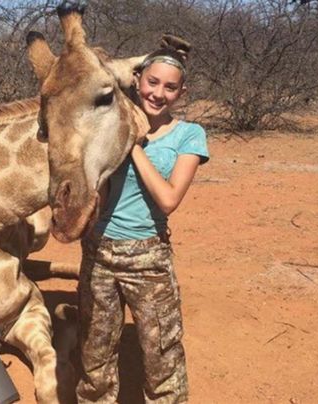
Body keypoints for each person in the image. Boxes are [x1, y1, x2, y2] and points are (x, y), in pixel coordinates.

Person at [76, 36, 209, 403]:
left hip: (148, 261)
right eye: (152, 82)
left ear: (182, 91)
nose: (158, 93)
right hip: (98, 254)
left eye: (170, 87)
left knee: (161, 356)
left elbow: (168, 199)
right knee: (94, 356)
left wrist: (133, 143)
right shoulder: (109, 125)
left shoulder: (188, 135)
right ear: (137, 80)